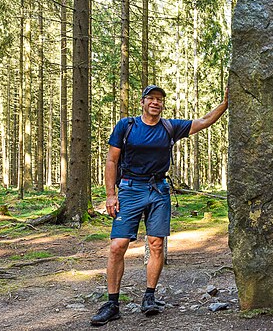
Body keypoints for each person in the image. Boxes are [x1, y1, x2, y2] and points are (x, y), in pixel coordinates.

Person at [90, 85, 228, 326]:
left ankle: (149, 297)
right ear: (142, 102)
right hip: (130, 189)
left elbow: (204, 121)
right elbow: (112, 160)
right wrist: (110, 194)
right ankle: (112, 303)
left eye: (160, 99)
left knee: (156, 244)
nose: (156, 102)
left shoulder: (169, 127)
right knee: (117, 246)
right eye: (151, 99)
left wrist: (225, 104)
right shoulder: (127, 126)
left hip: (159, 190)